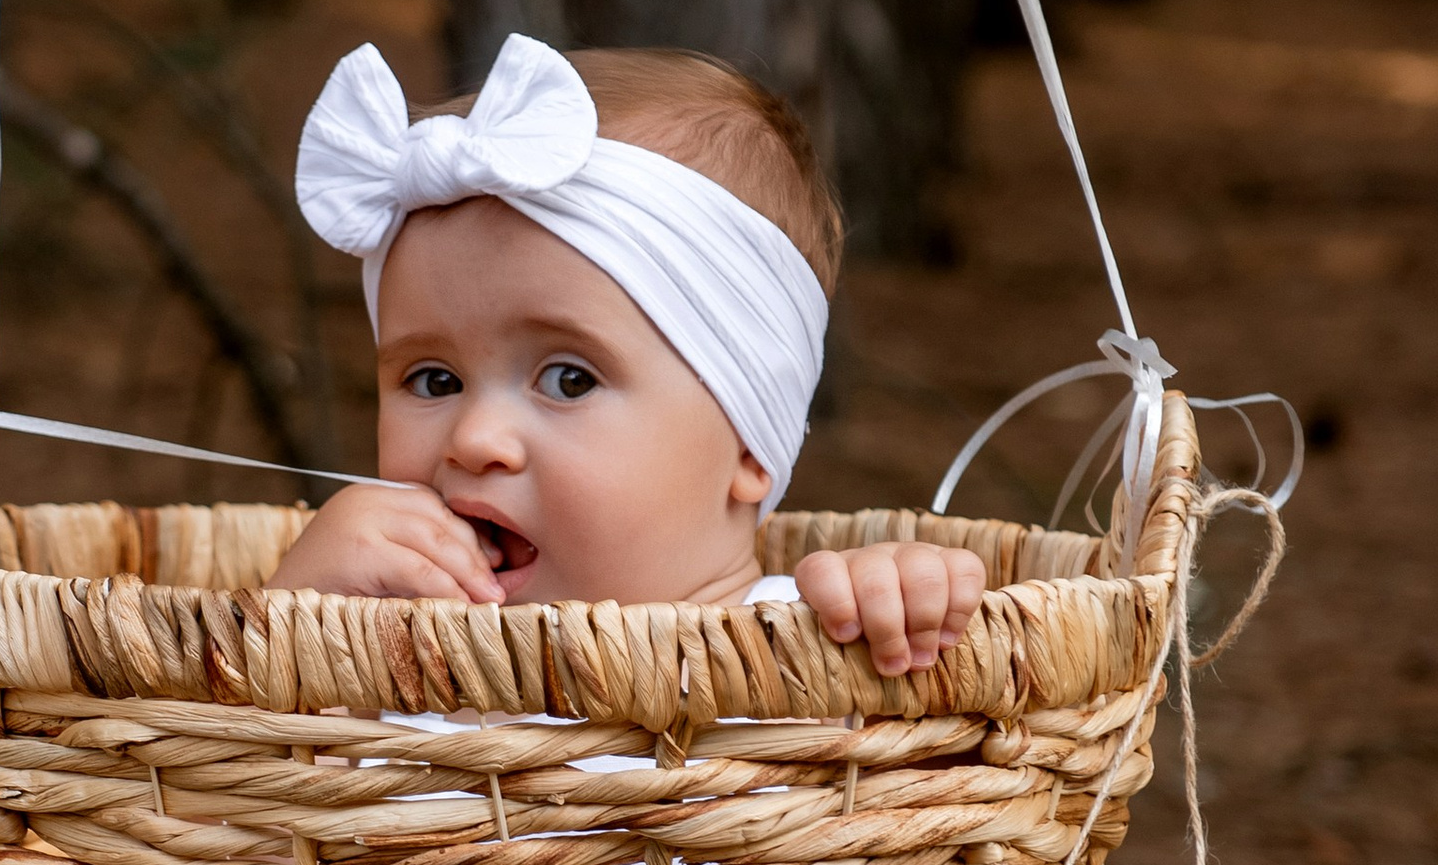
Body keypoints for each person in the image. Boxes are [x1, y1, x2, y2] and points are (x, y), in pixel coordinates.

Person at [271, 34, 989, 677]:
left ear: (747, 440)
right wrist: (295, 622)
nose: (474, 438)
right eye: (434, 379)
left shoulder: (811, 640)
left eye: (569, 377)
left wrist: (905, 607)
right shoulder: (386, 651)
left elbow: (946, 775)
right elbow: (229, 791)